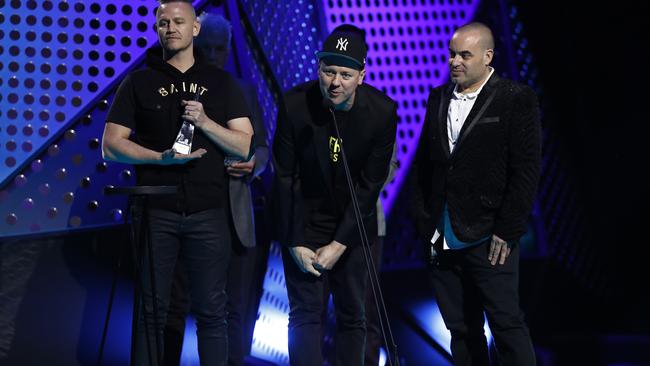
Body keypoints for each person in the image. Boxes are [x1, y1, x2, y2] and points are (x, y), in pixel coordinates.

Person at [101, 1, 254, 364]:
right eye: (163, 22)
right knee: (151, 310)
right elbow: (111, 146)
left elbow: (245, 143)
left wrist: (205, 123)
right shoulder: (139, 80)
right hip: (157, 210)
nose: (170, 28)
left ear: (195, 29)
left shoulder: (220, 83)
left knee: (212, 312)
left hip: (208, 211)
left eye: (179, 21)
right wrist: (159, 158)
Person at [412, 22, 540, 366]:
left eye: (464, 55)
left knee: (506, 324)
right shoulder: (437, 97)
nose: (455, 61)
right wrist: (424, 222)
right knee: (461, 330)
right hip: (442, 233)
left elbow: (525, 171)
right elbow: (426, 165)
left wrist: (508, 229)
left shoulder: (515, 98)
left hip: (490, 235)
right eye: (452, 54)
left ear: (488, 56)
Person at [271, 25, 398, 366]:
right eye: (328, 71)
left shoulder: (382, 112)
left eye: (345, 73)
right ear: (318, 70)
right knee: (305, 314)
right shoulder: (295, 105)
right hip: (306, 222)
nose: (335, 82)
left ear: (362, 74)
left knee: (353, 315)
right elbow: (285, 176)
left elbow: (369, 185)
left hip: (353, 226)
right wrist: (295, 240)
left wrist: (339, 244)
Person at [161, 13, 270, 366]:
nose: (213, 55)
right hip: (184, 211)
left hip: (233, 214)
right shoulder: (173, 90)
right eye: (205, 48)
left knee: (233, 308)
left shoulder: (243, 90)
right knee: (175, 305)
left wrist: (254, 164)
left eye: (219, 48)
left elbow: (264, 147)